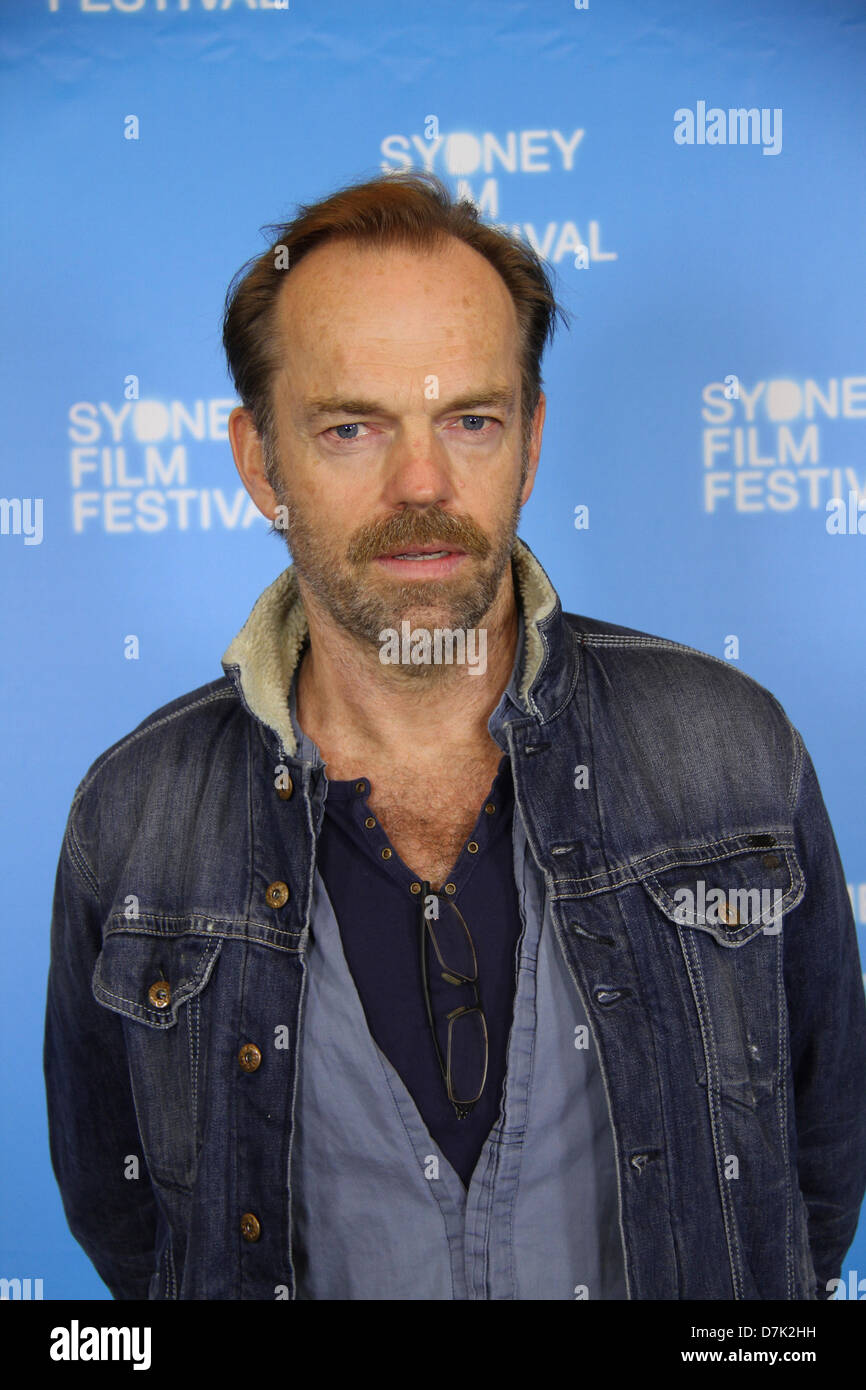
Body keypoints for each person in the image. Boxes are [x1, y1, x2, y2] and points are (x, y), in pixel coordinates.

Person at [45, 171, 866, 1301]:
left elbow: (812, 1178)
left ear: (528, 443)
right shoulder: (134, 819)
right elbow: (130, 1223)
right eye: (350, 427)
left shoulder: (729, 755)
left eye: (469, 420)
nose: (420, 482)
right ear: (258, 463)